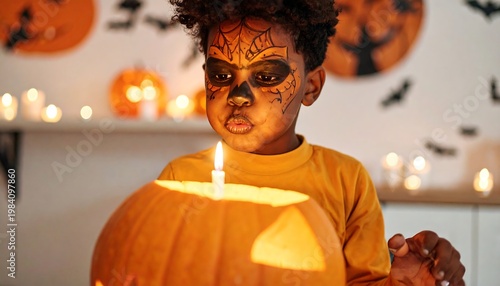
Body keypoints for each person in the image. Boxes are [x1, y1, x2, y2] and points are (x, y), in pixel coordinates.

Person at [158, 0, 466, 285]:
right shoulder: (180, 181)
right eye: (222, 75)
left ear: (312, 87)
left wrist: (395, 283)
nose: (237, 95)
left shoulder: (346, 181)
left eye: (266, 77)